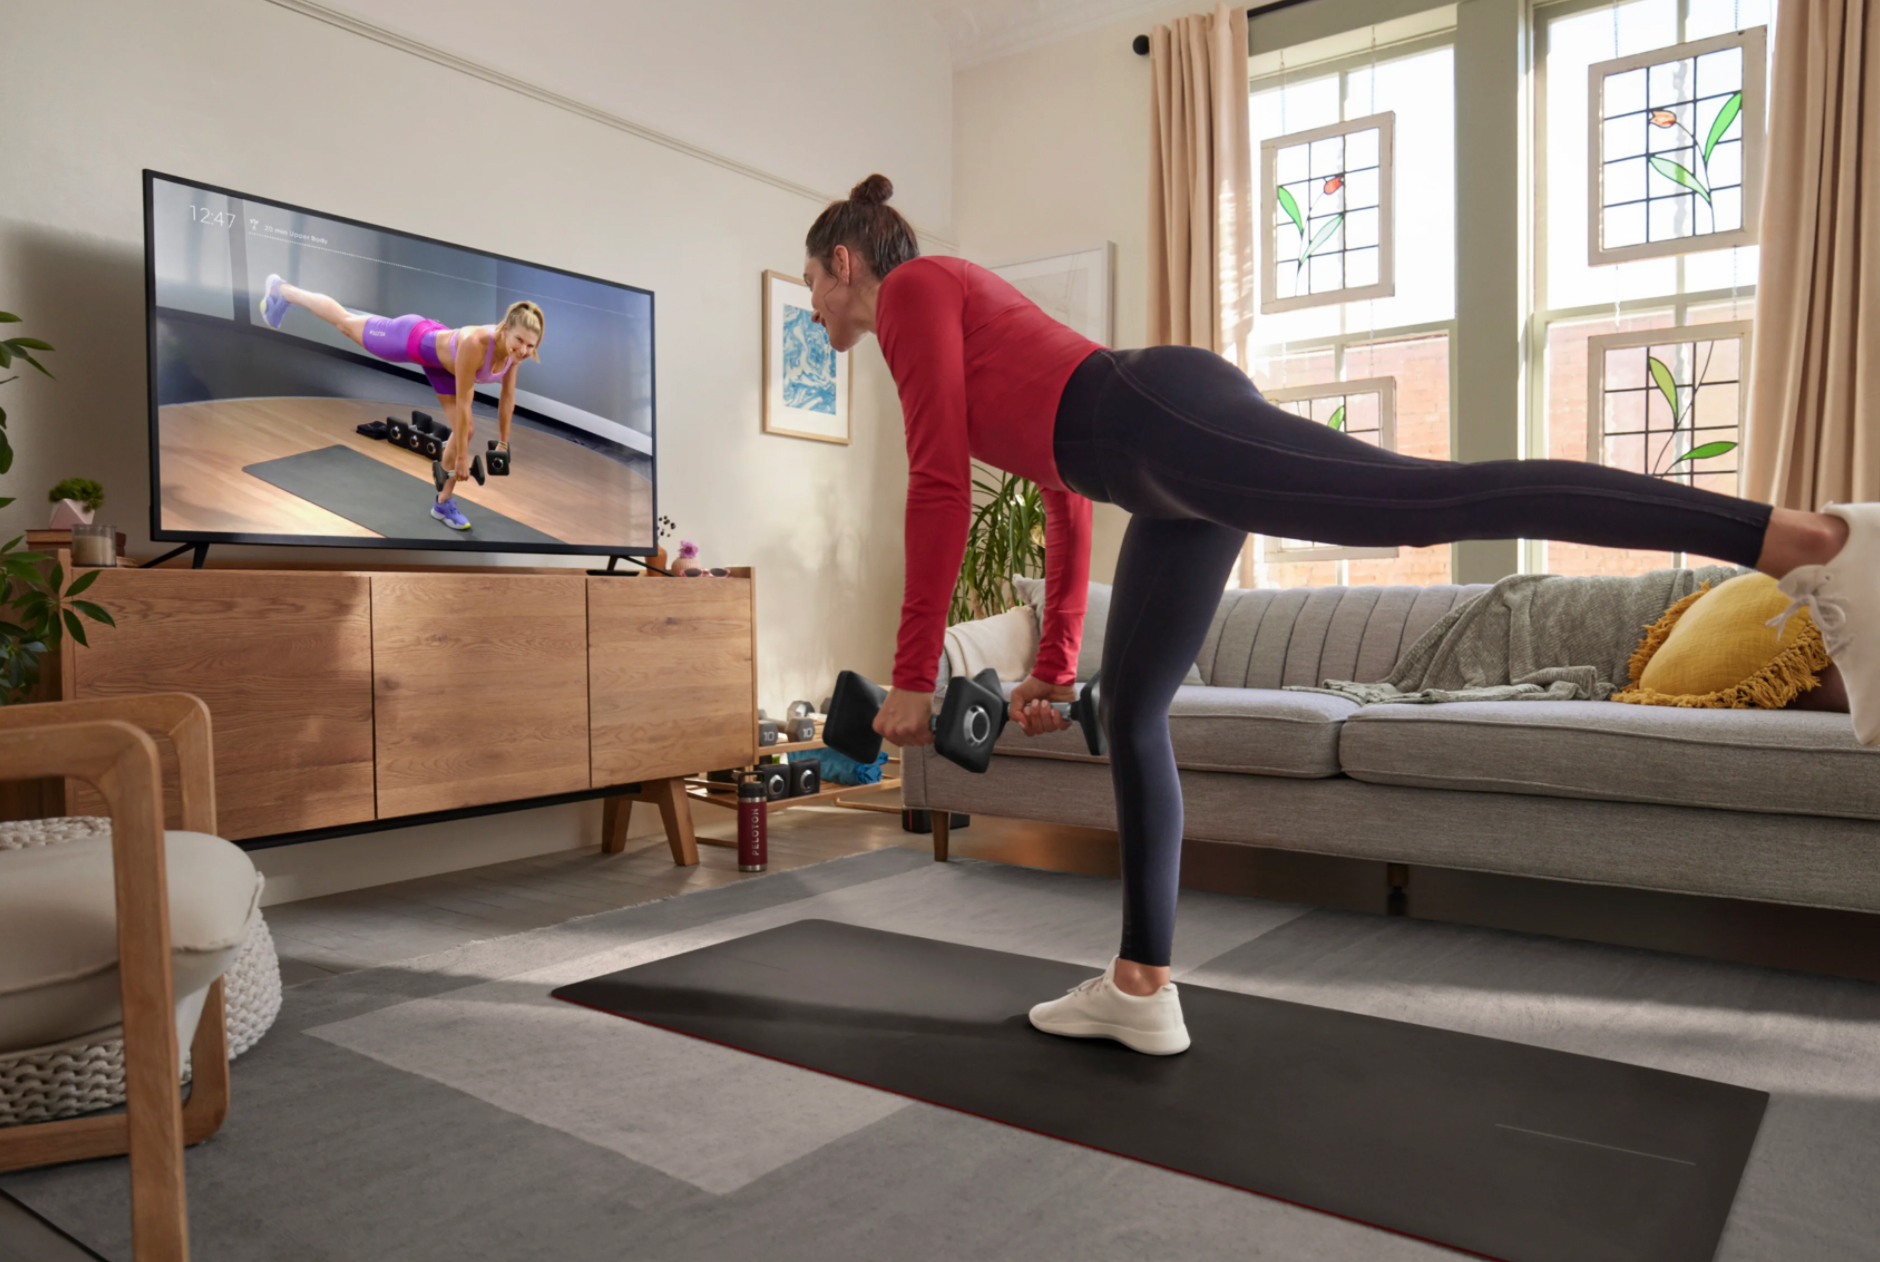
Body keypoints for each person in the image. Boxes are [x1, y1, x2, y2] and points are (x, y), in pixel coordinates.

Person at [804, 173, 1878, 1058]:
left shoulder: (910, 291)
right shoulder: (948, 301)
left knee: (1437, 498)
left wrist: (910, 671)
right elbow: (1057, 488)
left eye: (812, 284)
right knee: (1130, 709)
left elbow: (938, 481)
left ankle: (1809, 542)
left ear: (844, 262)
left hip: (1158, 422)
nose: (816, 308)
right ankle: (1139, 982)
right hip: (1151, 469)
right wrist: (1048, 662)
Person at [258, 276, 543, 530]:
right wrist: (460, 460)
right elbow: (466, 402)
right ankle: (283, 290)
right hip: (414, 338)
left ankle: (442, 504)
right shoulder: (475, 343)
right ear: (505, 329)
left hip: (442, 365)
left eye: (531, 346)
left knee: (464, 432)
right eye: (519, 340)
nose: (524, 350)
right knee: (345, 323)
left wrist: (504, 444)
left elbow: (507, 399)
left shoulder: (513, 355)